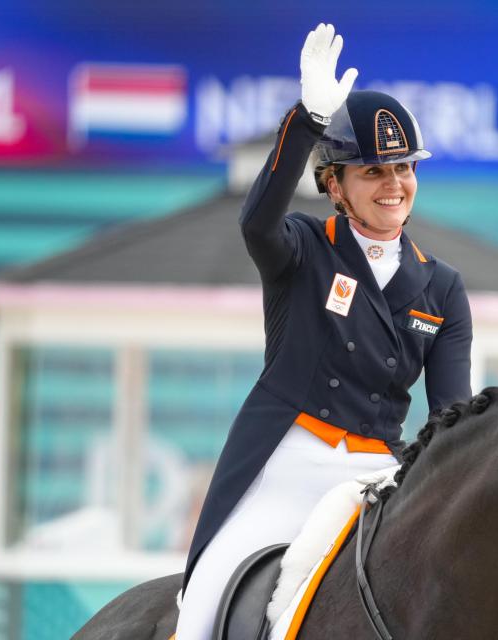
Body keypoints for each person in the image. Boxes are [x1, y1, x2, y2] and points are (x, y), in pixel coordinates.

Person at [174, 23, 473, 639]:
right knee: (203, 606)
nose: (394, 185)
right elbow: (257, 223)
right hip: (285, 460)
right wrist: (308, 118)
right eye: (373, 172)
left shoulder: (442, 287)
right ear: (334, 184)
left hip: (377, 476)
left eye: (404, 169)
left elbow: (453, 423)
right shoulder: (306, 248)